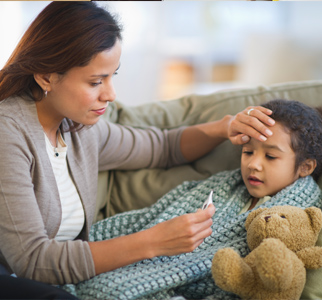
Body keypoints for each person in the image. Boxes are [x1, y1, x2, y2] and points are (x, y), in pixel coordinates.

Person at [0, 1, 275, 295]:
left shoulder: (77, 128)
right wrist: (152, 242)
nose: (111, 94)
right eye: (96, 81)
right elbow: (32, 261)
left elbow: (162, 147)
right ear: (46, 77)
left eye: (112, 76)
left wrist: (223, 128)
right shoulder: (8, 133)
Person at [61, 99, 322, 300]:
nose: (253, 164)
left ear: (305, 167)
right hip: (139, 261)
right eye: (247, 151)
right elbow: (151, 218)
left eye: (271, 157)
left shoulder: (299, 218)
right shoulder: (220, 185)